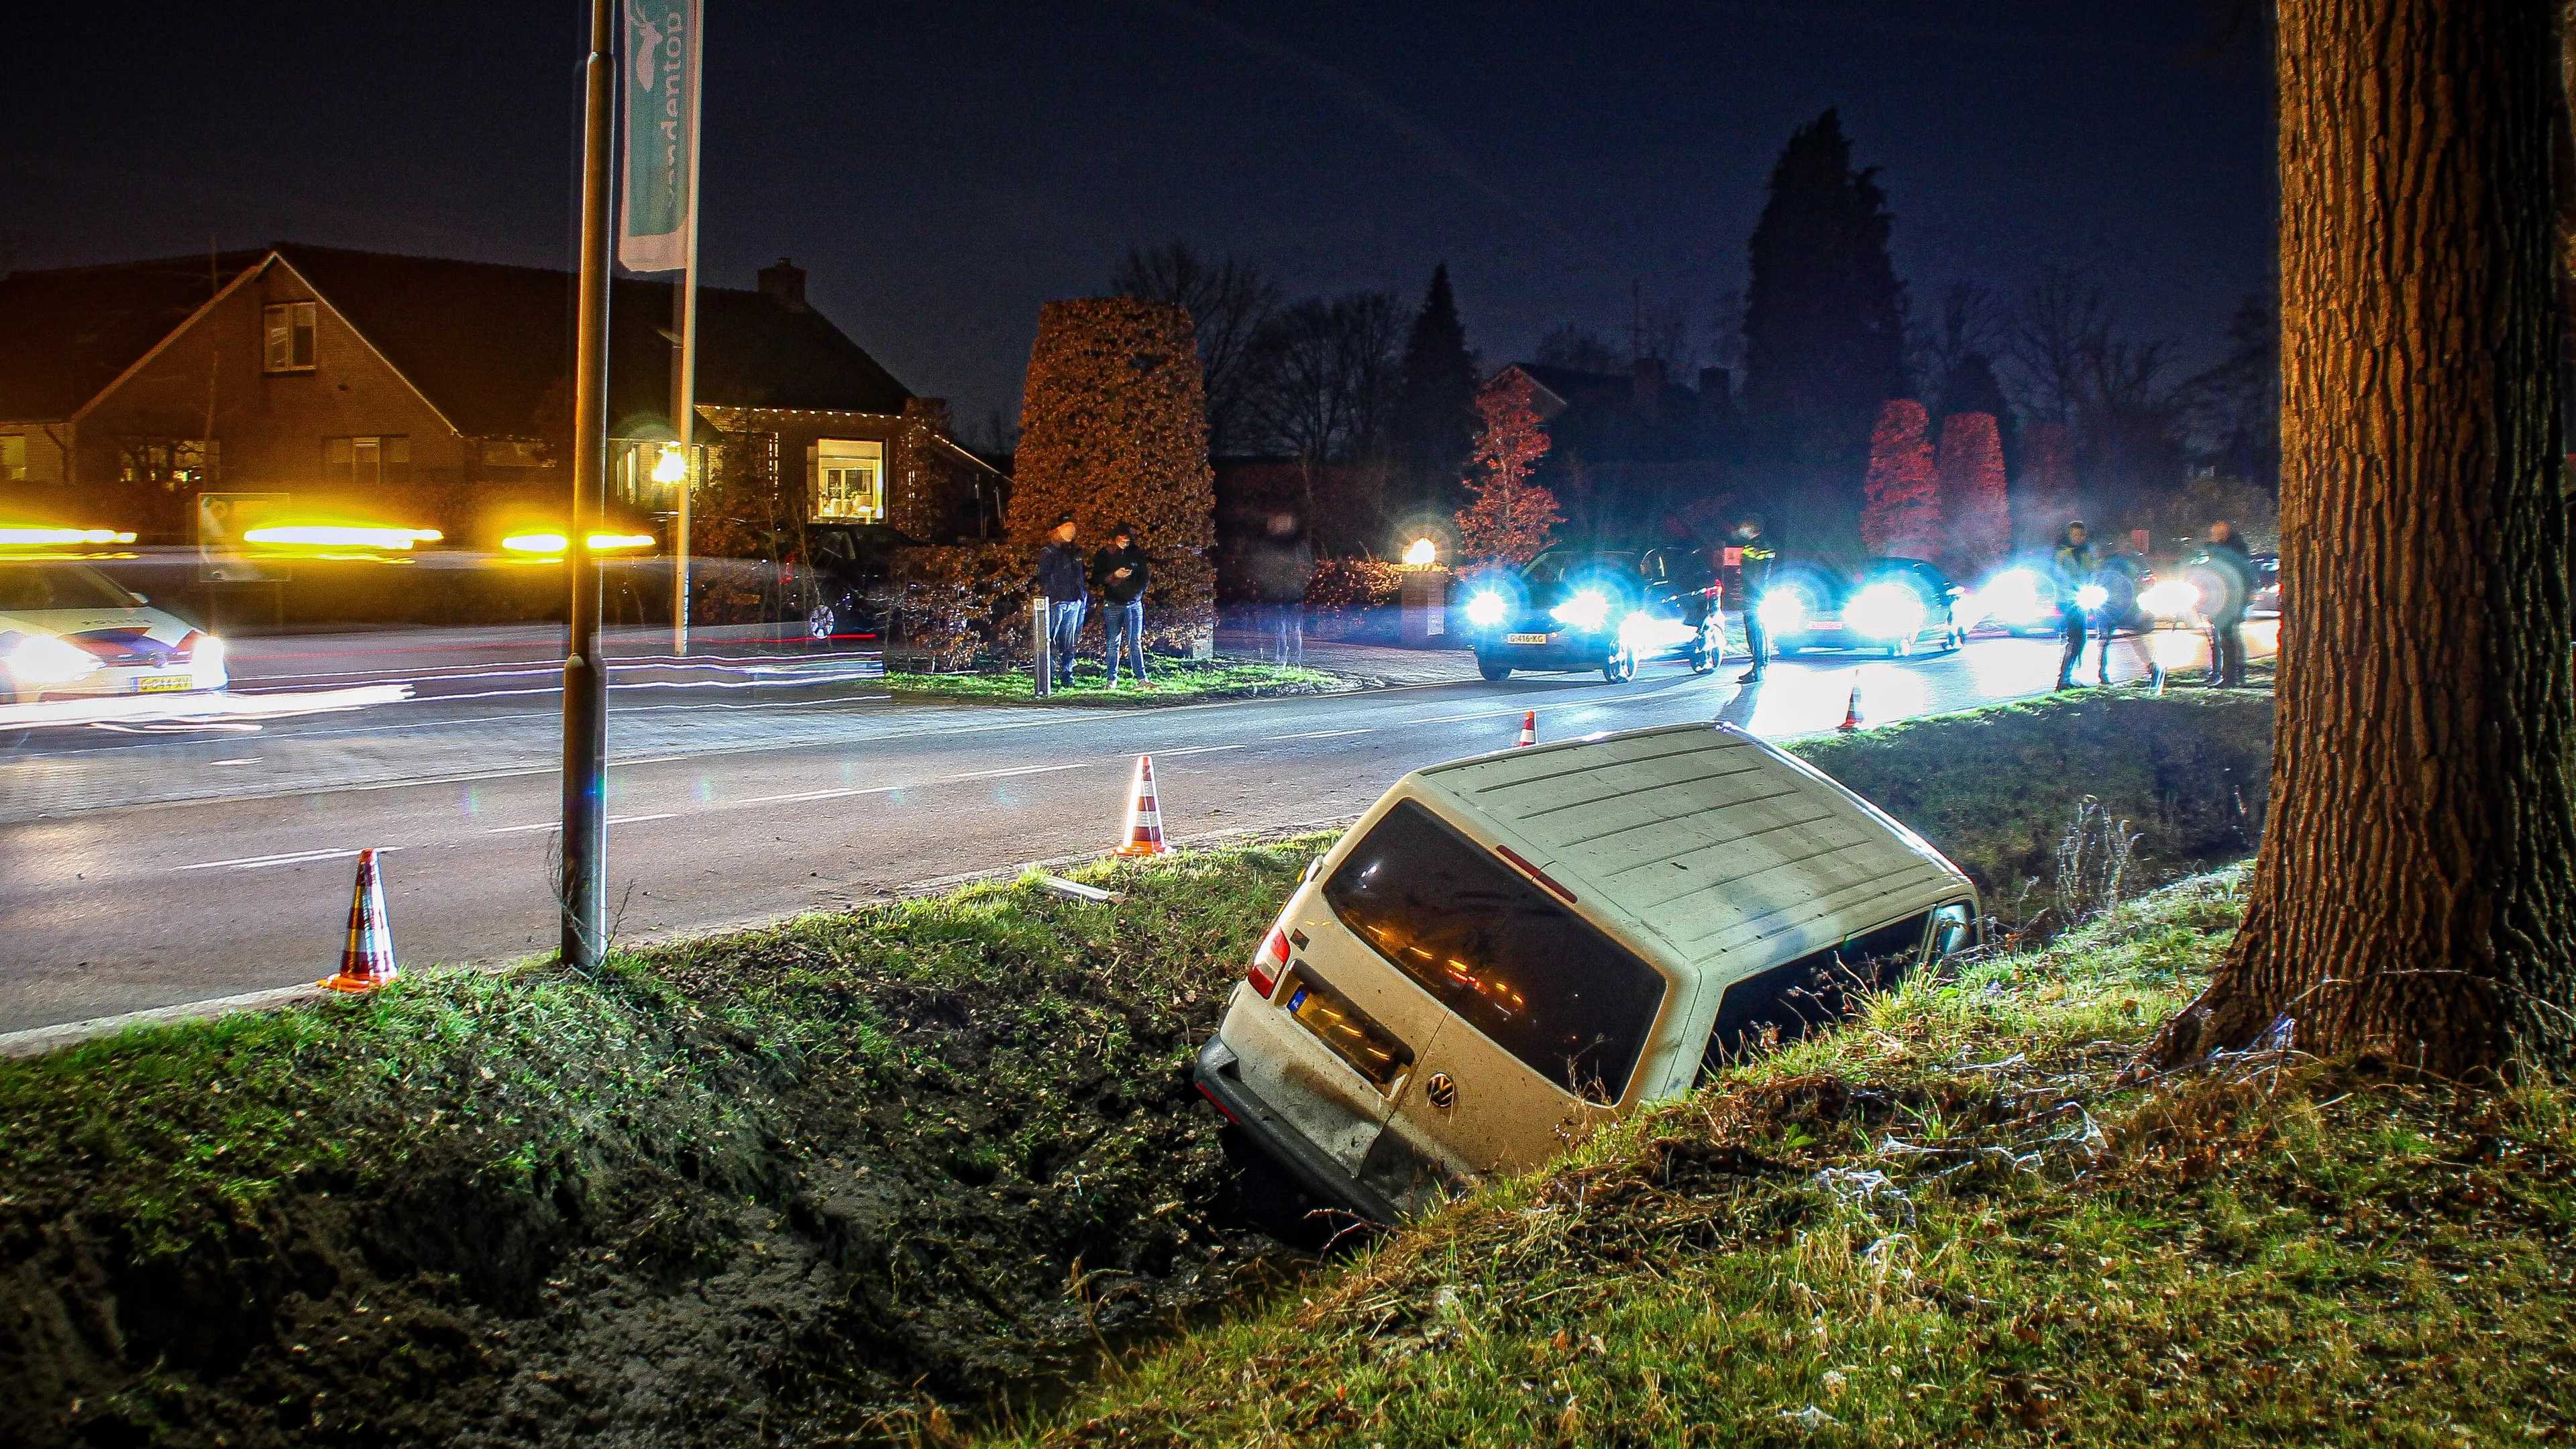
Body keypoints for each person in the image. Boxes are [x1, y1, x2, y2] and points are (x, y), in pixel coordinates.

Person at [1246, 511, 1315, 667]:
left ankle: (1288, 658)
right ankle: (1285, 657)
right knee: (1282, 626)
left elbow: (1306, 567)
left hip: (1287, 592)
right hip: (1280, 592)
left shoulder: (1293, 546)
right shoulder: (1276, 545)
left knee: (1288, 626)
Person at [2196, 519, 2254, 688]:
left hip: (2231, 597)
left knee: (2228, 636)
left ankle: (2230, 676)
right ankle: (2227, 672)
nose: (2213, 537)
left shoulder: (2228, 552)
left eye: (2216, 534)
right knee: (2226, 636)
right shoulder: (2235, 550)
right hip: (2225, 596)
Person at [1093, 521, 1151, 687]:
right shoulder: (1104, 554)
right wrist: (1114, 575)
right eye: (1121, 539)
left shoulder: (1137, 553)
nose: (1125, 543)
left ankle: (1142, 679)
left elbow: (1144, 577)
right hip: (1113, 603)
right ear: (1115, 539)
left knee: (1135, 641)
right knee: (1113, 642)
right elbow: (1097, 578)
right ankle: (1112, 679)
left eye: (1127, 540)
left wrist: (1137, 594)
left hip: (1134, 604)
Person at [1034, 513, 1088, 679]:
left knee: (1069, 640)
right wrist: (1053, 596)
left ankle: (1067, 673)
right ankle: (1047, 675)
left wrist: (1081, 596)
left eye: (1073, 529)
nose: (1071, 532)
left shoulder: (1076, 551)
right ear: (1058, 530)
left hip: (1074, 600)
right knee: (1050, 638)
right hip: (1057, 602)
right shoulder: (1050, 551)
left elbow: (1079, 574)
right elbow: (1043, 576)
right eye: (1067, 528)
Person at [2053, 520, 2100, 691]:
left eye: (2080, 535)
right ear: (2069, 535)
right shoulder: (2063, 552)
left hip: (2082, 599)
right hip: (2068, 599)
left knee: (2080, 638)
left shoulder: (2086, 552)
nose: (2077, 538)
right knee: (2076, 638)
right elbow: (2057, 573)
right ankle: (2063, 679)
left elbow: (2091, 572)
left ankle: (2067, 677)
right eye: (2074, 534)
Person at [1731, 515, 1778, 684]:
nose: (1742, 530)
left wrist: (1750, 593)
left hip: (1755, 595)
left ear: (1753, 528)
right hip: (1758, 593)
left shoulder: (1757, 546)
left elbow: (1755, 572)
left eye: (1745, 526)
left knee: (1755, 631)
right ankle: (1760, 666)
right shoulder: (1761, 544)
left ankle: (1758, 668)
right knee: (1760, 630)